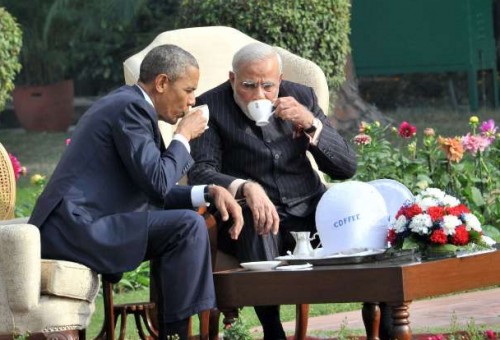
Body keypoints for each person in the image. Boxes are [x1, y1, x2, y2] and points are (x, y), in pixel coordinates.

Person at [28, 44, 244, 340]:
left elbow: (154, 187)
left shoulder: (131, 106)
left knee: (185, 224)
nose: (192, 101)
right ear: (162, 83)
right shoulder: (131, 108)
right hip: (74, 227)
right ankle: (177, 335)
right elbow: (157, 182)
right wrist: (183, 135)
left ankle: (174, 331)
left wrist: (207, 192)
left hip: (80, 223)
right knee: (187, 226)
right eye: (189, 90)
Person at [187, 42, 357, 339]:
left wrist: (311, 124)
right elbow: (201, 171)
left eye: (268, 86)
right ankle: (272, 329)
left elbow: (346, 168)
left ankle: (384, 308)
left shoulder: (302, 96)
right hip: (248, 218)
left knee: (355, 207)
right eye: (248, 86)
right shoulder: (210, 107)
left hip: (309, 206)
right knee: (257, 218)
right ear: (232, 79)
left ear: (280, 81)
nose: (259, 95)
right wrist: (245, 187)